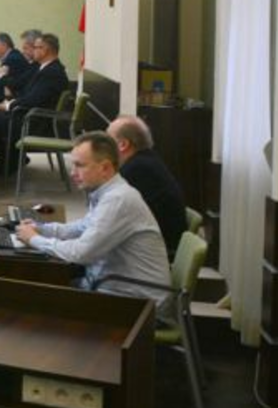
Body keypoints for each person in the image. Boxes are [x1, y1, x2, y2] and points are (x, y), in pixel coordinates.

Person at [16, 132, 171, 312]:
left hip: (138, 305)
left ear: (105, 168)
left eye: (80, 165)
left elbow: (81, 253)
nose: (73, 173)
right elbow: (81, 227)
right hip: (114, 289)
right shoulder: (105, 192)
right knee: (36, 288)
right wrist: (42, 229)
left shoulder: (118, 200)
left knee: (32, 300)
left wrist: (34, 239)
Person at [108, 116, 188, 258]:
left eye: (107, 140)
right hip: (156, 244)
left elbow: (108, 220)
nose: (103, 147)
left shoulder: (137, 170)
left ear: (123, 144)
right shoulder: (146, 160)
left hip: (153, 254)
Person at [0, 33, 69, 169]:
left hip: (37, 122)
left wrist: (9, 105)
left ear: (45, 50)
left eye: (36, 47)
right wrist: (10, 104)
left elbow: (34, 99)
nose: (33, 50)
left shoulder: (52, 72)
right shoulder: (45, 68)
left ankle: (7, 164)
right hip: (33, 116)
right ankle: (11, 161)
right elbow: (29, 94)